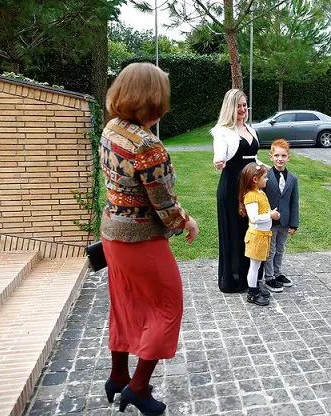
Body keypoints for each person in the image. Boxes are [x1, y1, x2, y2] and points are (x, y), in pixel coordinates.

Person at [100, 62, 200, 415]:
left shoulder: (111, 129)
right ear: (153, 98)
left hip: (112, 234)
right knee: (167, 308)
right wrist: (186, 222)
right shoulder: (148, 145)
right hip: (141, 240)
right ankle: (137, 388)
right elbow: (163, 203)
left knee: (124, 303)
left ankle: (117, 376)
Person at [212, 89, 261, 293]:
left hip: (249, 187)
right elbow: (219, 154)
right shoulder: (222, 131)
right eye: (238, 106)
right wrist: (218, 160)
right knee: (233, 231)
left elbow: (254, 158)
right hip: (231, 187)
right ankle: (232, 279)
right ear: (230, 107)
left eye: (244, 105)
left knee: (249, 231)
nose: (242, 109)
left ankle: (248, 278)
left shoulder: (250, 129)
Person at [239, 162, 281, 305]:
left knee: (257, 265)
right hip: (256, 236)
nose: (267, 179)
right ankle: (252, 293)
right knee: (254, 265)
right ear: (255, 180)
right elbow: (255, 218)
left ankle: (255, 287)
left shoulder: (260, 193)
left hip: (263, 236)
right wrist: (271, 215)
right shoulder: (251, 196)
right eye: (264, 177)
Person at [263, 139, 300, 292]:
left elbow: (294, 202)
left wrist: (294, 223)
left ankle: (278, 273)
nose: (280, 159)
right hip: (270, 221)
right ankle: (269, 277)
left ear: (288, 157)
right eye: (276, 155)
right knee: (270, 250)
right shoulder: (265, 176)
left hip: (284, 222)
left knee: (280, 249)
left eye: (283, 155)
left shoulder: (293, 178)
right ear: (270, 157)